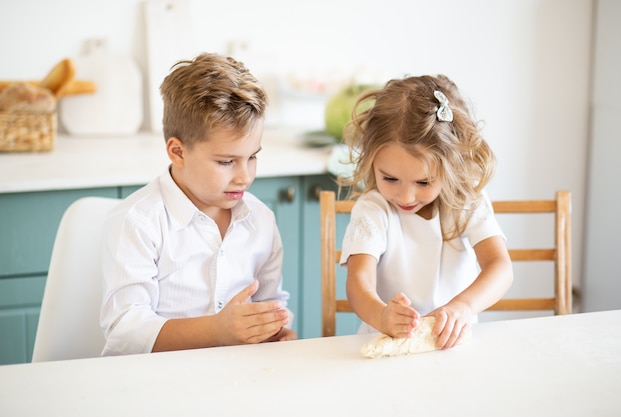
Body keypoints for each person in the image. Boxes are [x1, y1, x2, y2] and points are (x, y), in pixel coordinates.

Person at [100, 53, 297, 356]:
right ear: (177, 152)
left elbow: (270, 303)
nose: (245, 176)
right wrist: (217, 330)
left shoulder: (261, 219)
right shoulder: (138, 221)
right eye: (226, 161)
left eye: (253, 157)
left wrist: (273, 330)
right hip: (154, 386)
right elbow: (125, 332)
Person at [339, 75, 513, 350]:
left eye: (423, 182)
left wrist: (463, 308)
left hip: (452, 346)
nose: (405, 196)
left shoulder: (466, 201)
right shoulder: (374, 210)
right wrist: (382, 316)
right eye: (390, 179)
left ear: (451, 167)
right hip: (386, 345)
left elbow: (500, 267)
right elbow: (359, 282)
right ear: (371, 160)